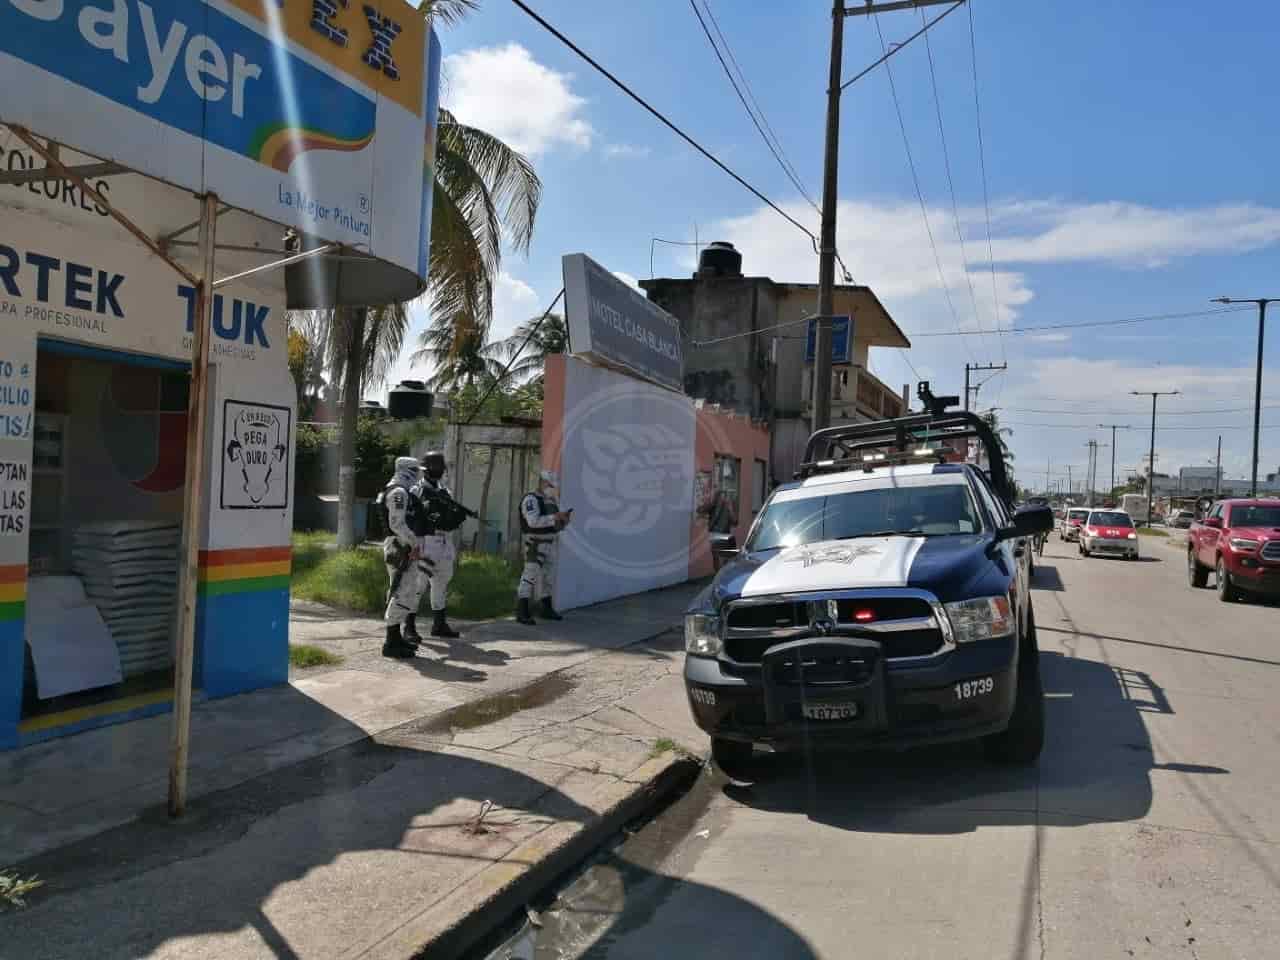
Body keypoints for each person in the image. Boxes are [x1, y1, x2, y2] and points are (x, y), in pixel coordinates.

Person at [413, 450, 463, 639]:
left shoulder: (445, 491)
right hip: (425, 541)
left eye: (440, 467)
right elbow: (415, 518)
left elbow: (449, 516)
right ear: (426, 470)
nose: (438, 471)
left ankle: (439, 624)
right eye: (435, 467)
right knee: (418, 585)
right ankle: (409, 627)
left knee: (441, 583)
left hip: (444, 541)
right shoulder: (417, 490)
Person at [380, 457, 426, 659]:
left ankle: (396, 637)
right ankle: (391, 642)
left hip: (401, 544)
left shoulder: (398, 490)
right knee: (402, 591)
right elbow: (397, 524)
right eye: (416, 470)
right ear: (408, 470)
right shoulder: (398, 492)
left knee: (404, 590)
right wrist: (414, 543)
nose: (419, 475)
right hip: (400, 545)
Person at [516, 470, 571, 625]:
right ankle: (522, 611)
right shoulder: (530, 499)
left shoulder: (551, 501)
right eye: (549, 485)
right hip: (535, 543)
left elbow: (553, 523)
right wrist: (555, 517)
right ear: (541, 482)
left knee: (549, 578)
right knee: (529, 576)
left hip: (550, 543)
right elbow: (533, 521)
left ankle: (546, 609)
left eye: (553, 486)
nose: (551, 488)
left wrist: (562, 521)